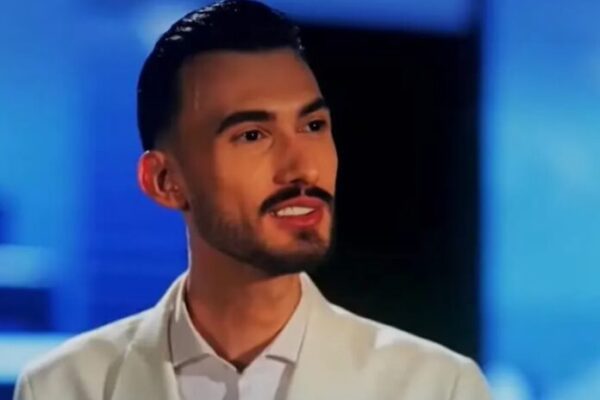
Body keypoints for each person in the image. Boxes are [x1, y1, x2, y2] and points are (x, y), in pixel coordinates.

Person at [14, 1, 492, 399]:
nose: (304, 168)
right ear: (164, 181)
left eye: (313, 126)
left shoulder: (436, 387)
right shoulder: (63, 387)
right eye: (252, 135)